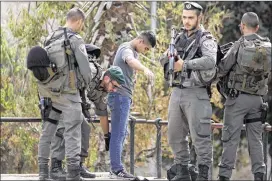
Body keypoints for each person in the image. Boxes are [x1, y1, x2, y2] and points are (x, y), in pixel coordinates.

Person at [159, 2, 218, 181]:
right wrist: (169, 57)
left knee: (200, 137)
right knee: (174, 134)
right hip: (177, 91)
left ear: (199, 18)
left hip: (196, 92)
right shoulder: (177, 38)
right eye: (184, 17)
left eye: (190, 17)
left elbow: (210, 61)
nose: (186, 21)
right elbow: (163, 57)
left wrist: (184, 64)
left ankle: (203, 175)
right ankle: (182, 172)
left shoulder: (206, 39)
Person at [49, 45, 125, 180]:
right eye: (114, 85)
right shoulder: (92, 70)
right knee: (63, 128)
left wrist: (107, 136)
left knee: (84, 127)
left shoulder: (102, 90)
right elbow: (70, 79)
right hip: (60, 96)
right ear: (107, 78)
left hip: (72, 103)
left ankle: (78, 165)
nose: (113, 90)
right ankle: (56, 167)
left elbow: (102, 113)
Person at [34, 8, 92, 181]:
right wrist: (83, 85)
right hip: (69, 94)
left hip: (50, 95)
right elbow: (86, 70)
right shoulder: (75, 39)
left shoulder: (49, 38)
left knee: (48, 132)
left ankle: (44, 172)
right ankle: (73, 173)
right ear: (79, 21)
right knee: (73, 131)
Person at [217, 12, 271, 181]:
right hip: (258, 100)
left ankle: (224, 176)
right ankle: (259, 176)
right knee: (256, 140)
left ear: (242, 26)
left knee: (230, 139)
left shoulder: (239, 45)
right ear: (257, 28)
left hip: (237, 100)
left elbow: (223, 68)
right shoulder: (267, 46)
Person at [107, 31, 156, 178]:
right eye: (146, 48)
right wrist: (144, 69)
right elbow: (129, 60)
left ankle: (115, 167)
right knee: (119, 132)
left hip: (123, 96)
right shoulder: (126, 49)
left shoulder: (133, 51)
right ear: (140, 41)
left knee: (123, 132)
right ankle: (116, 168)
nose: (145, 51)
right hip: (119, 96)